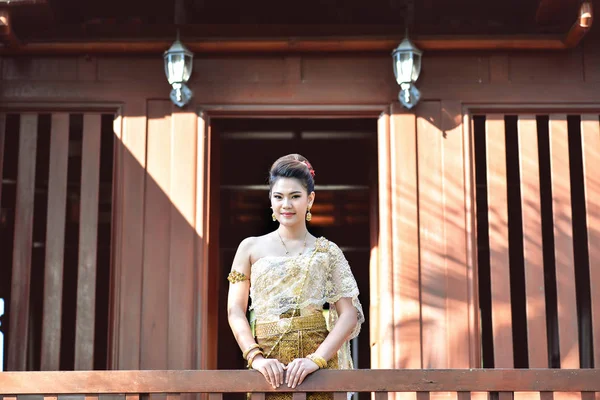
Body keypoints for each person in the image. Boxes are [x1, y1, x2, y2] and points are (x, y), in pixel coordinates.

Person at [227, 154, 364, 400]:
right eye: (278, 197)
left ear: (310, 199)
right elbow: (235, 311)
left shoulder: (327, 251)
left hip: (317, 368)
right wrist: (256, 358)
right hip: (268, 366)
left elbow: (349, 314)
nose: (286, 205)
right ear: (270, 200)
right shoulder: (249, 248)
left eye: (295, 196)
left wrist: (316, 360)